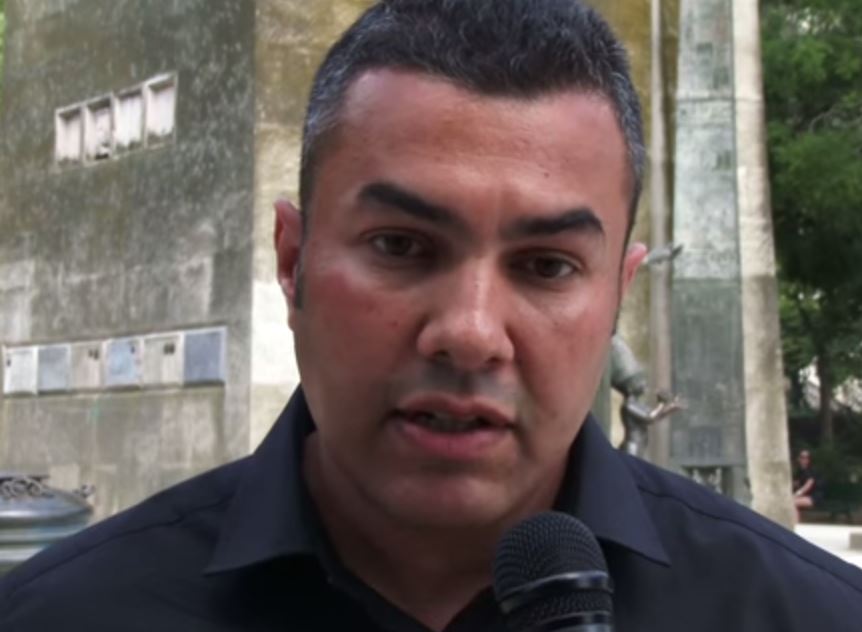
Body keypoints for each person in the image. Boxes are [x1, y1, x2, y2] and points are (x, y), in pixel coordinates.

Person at [1, 1, 861, 630]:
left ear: (616, 297)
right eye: (402, 247)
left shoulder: (803, 615)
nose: (470, 332)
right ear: (293, 261)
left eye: (547, 266)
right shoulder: (63, 615)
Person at [793, 449, 820, 515]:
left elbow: (808, 484)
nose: (804, 459)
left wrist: (797, 494)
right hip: (805, 497)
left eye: (807, 457)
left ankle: (794, 521)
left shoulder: (811, 470)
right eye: (802, 457)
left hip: (814, 497)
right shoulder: (799, 471)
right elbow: (795, 484)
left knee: (791, 503)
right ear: (798, 458)